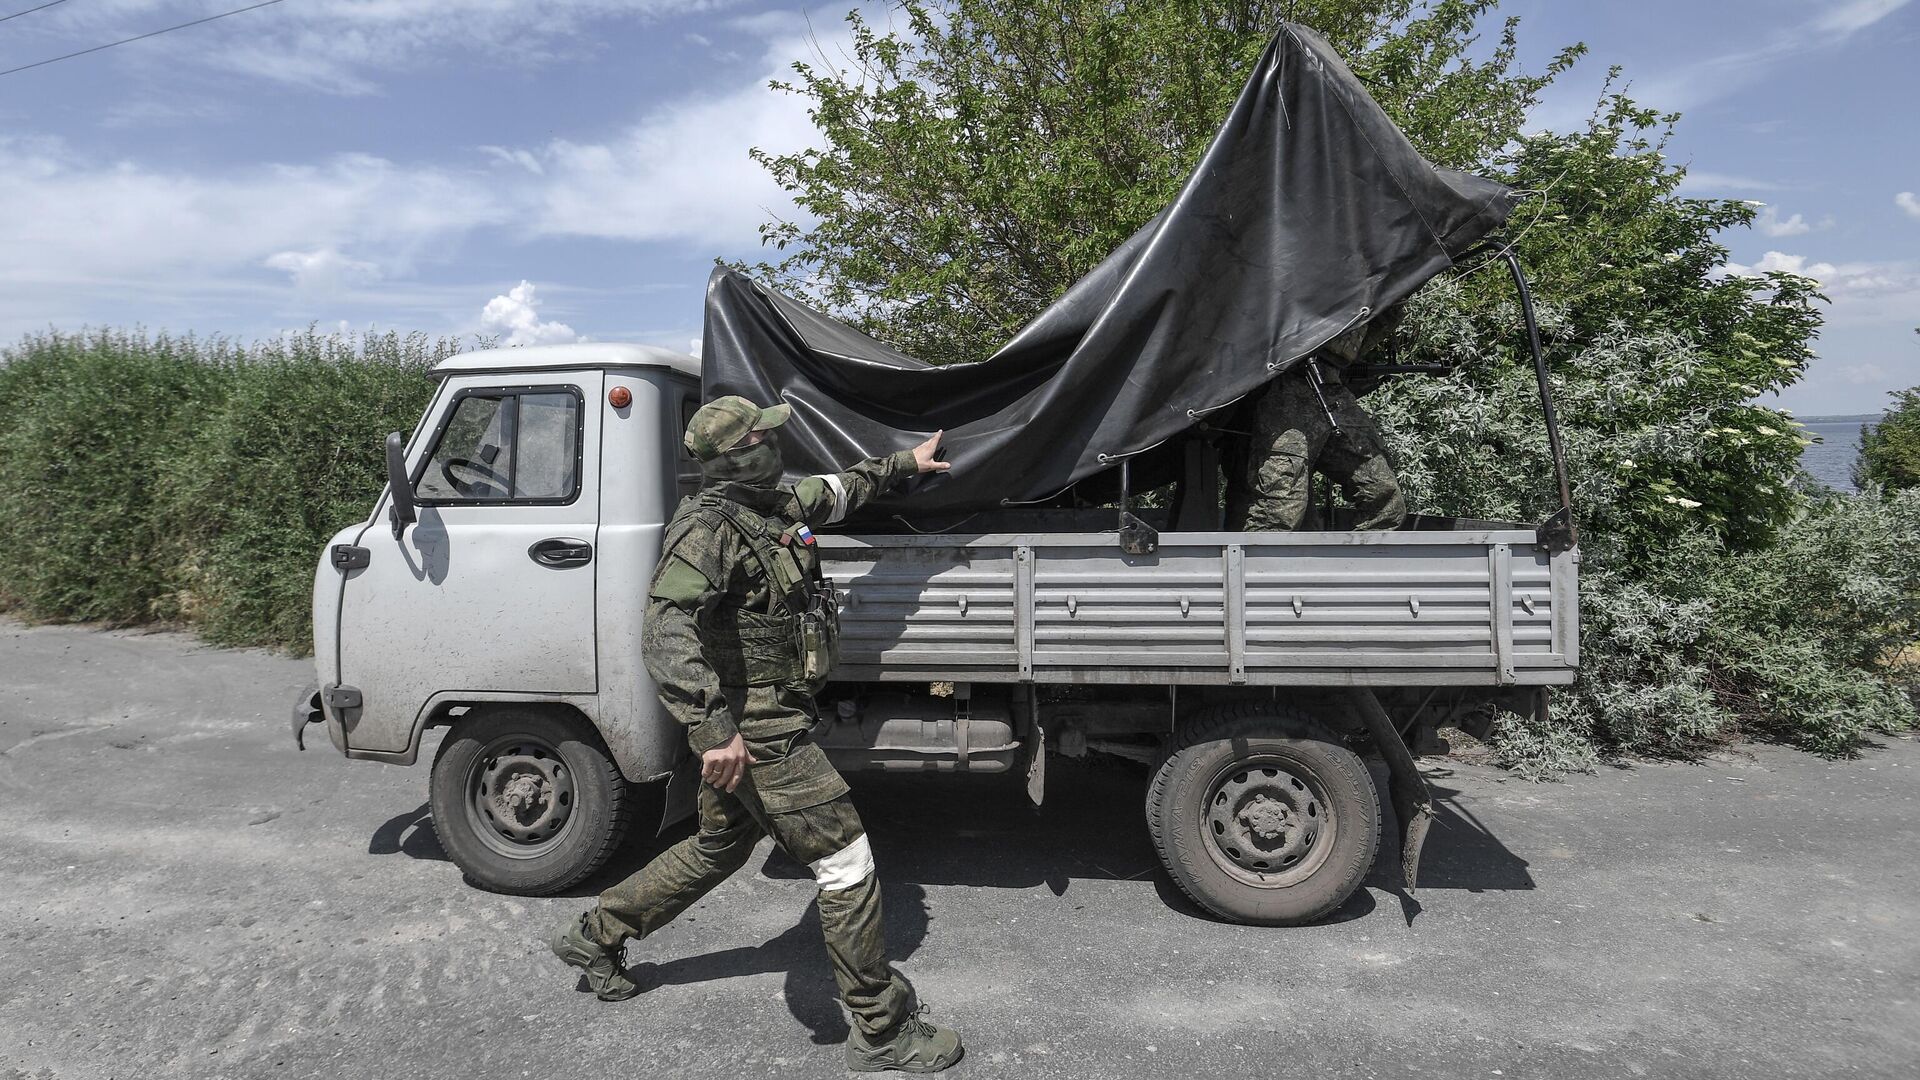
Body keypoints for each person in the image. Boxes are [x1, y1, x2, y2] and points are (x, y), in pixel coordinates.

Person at [548, 395, 963, 1074]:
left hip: (768, 718)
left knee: (717, 847)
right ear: (741, 455)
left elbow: (834, 491)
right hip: (757, 730)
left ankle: (595, 936)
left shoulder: (766, 506)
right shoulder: (707, 529)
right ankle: (881, 1032)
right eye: (765, 436)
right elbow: (663, 631)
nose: (776, 442)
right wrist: (714, 731)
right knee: (846, 862)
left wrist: (904, 464)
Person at [1232, 311, 1407, 532]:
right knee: (1278, 512)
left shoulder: (1373, 289)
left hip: (1331, 387)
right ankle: (1259, 566)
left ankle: (1364, 563)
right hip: (1287, 389)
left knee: (1386, 504)